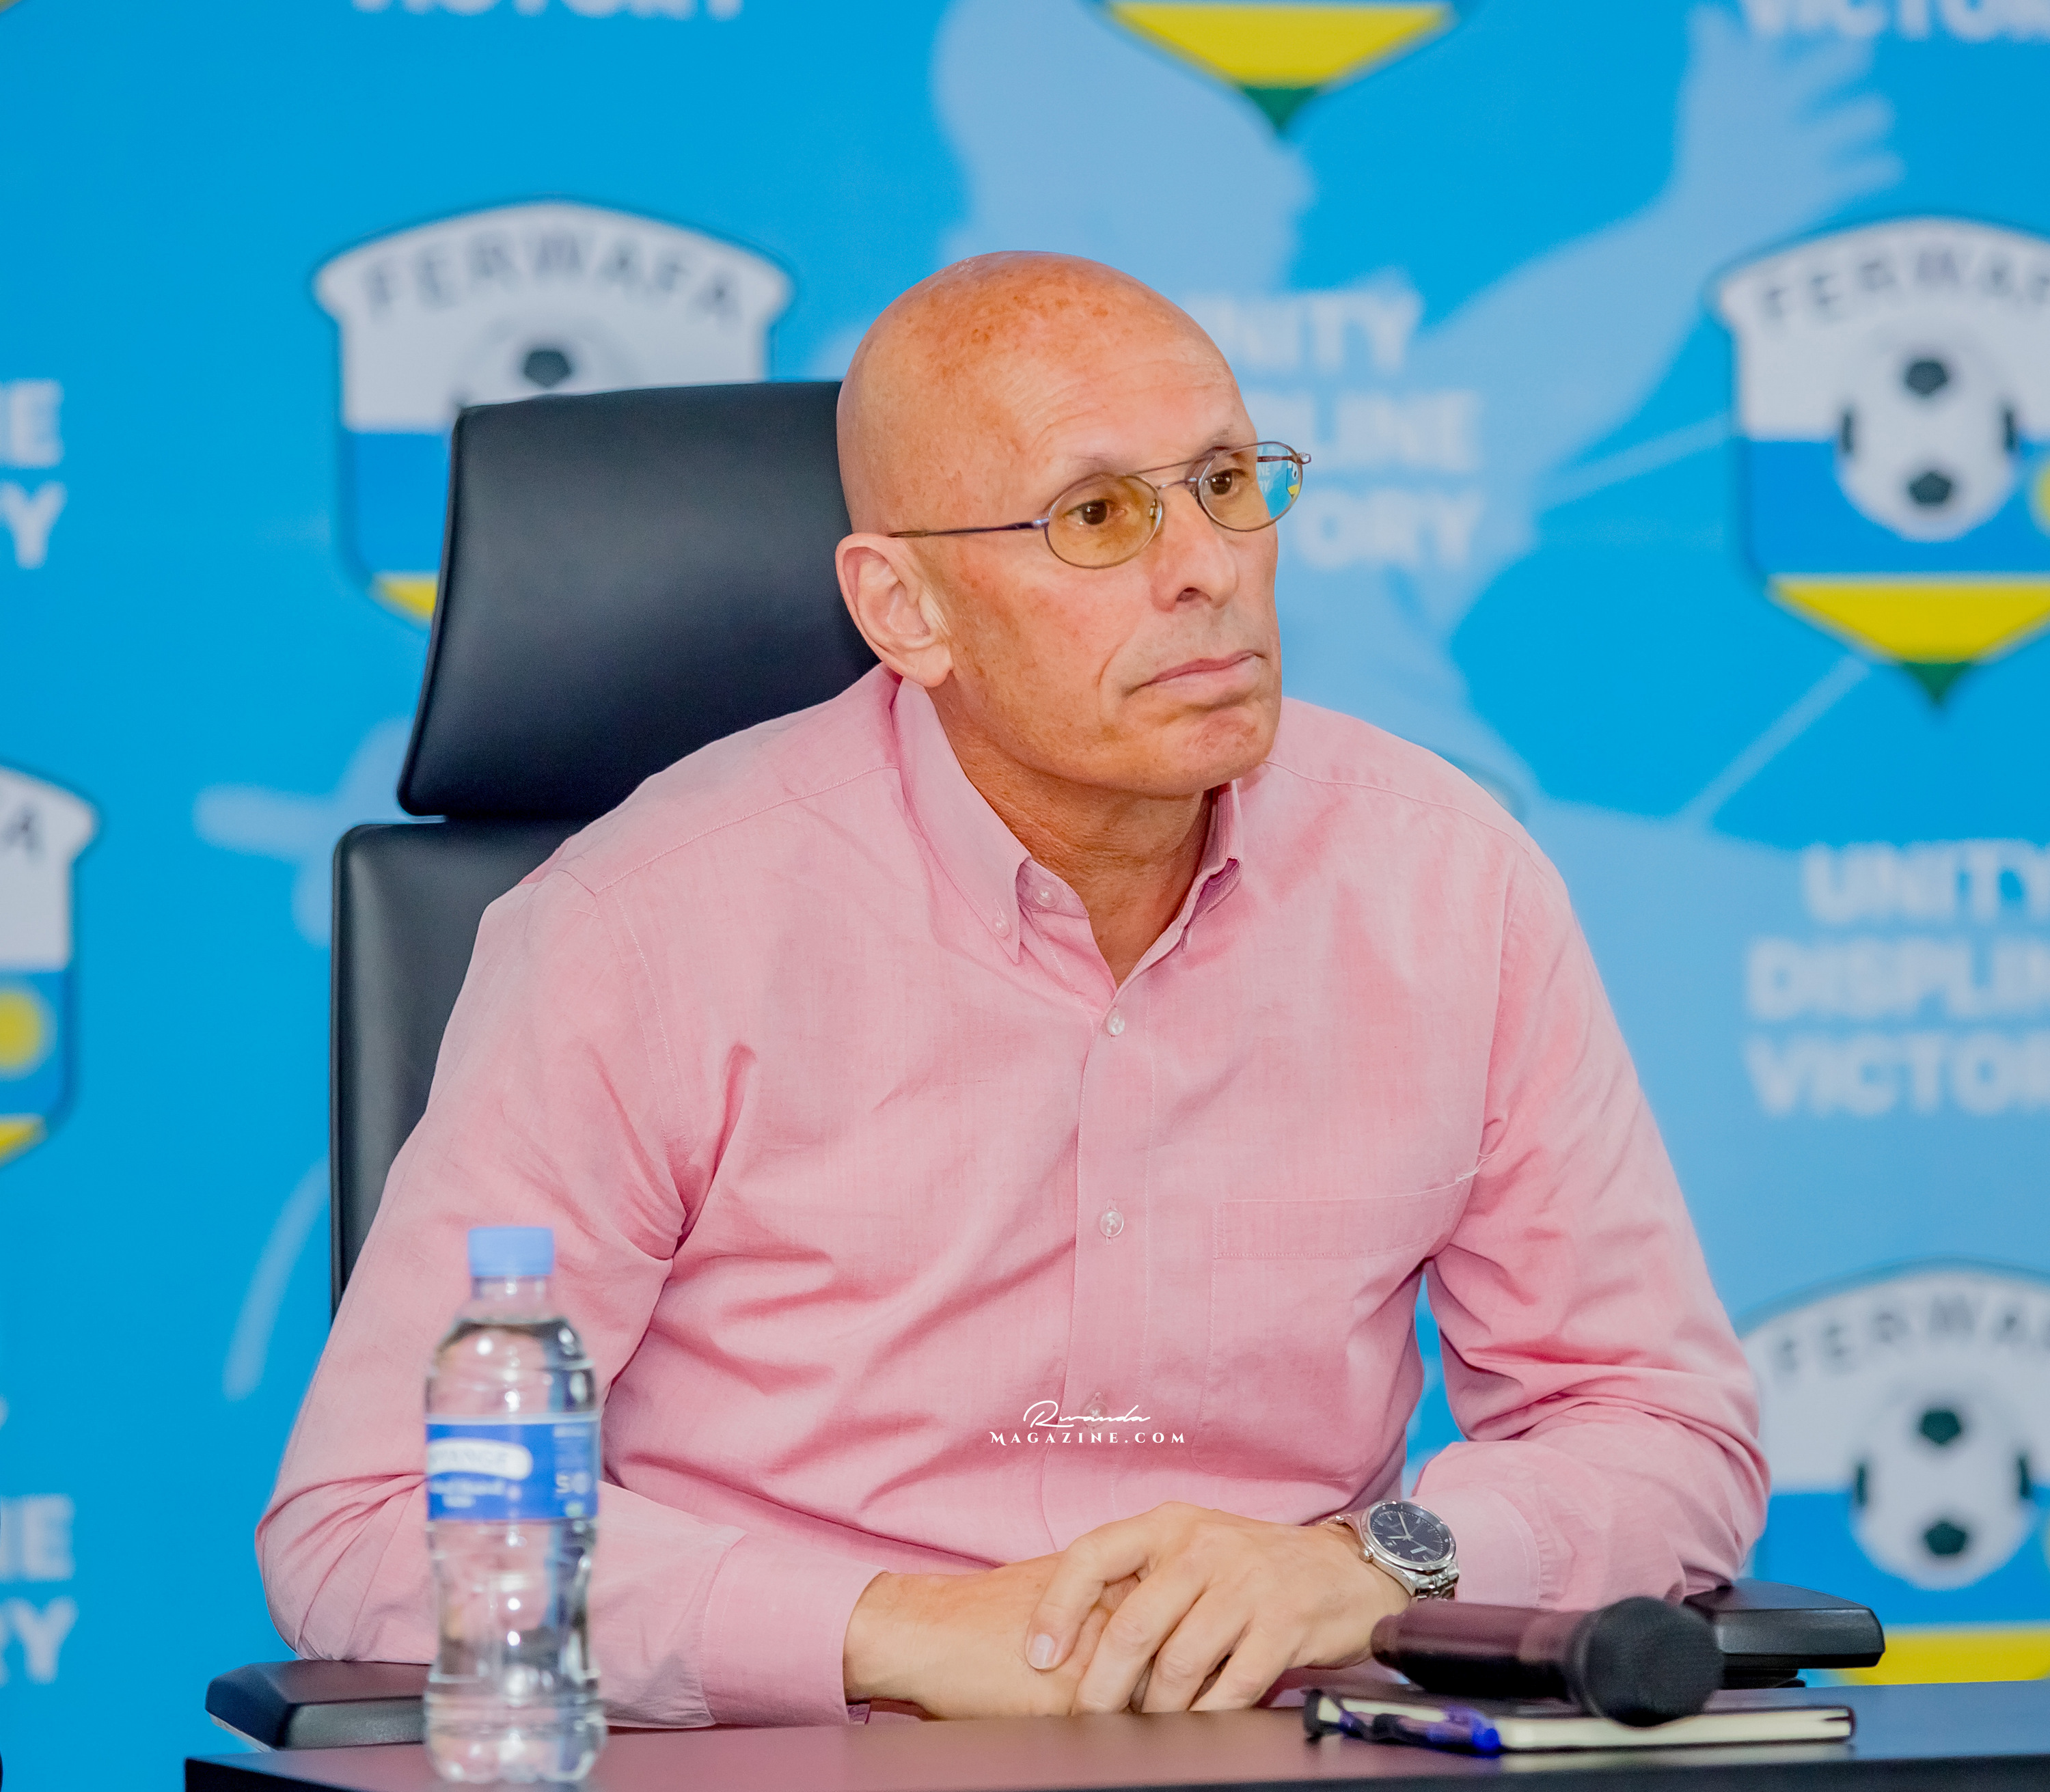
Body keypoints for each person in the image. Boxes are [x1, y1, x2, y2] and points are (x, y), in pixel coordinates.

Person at [259, 253, 1766, 1728]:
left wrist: (1372, 1566)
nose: (1206, 567)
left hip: (1277, 1742)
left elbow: (1662, 1423)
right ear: (905, 608)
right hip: (803, 1756)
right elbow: (374, 1519)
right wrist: (889, 1633)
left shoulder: (1449, 881)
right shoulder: (641, 927)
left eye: (1227, 483)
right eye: (1097, 515)